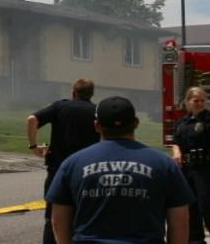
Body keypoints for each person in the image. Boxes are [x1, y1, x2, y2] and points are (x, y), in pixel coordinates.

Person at [47, 96, 193, 244]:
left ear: (97, 125)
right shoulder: (164, 164)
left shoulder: (73, 163)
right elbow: (180, 220)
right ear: (136, 123)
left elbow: (58, 219)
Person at [27, 78, 100, 244]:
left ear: (74, 93)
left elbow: (32, 119)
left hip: (58, 171)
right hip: (87, 173)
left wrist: (33, 146)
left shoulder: (59, 107)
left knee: (53, 217)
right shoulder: (96, 111)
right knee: (84, 217)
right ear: (91, 94)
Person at [172, 86, 210, 243]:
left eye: (203, 101)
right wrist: (176, 151)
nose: (199, 103)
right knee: (191, 210)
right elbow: (176, 141)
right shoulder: (182, 122)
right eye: (196, 100)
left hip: (207, 171)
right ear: (187, 102)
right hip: (188, 171)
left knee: (209, 209)